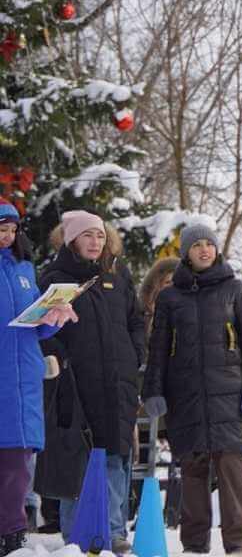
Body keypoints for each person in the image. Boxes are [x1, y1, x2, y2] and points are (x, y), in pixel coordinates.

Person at [142, 224, 242, 556]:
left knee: (230, 469)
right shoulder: (170, 297)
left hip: (229, 394)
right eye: (196, 245)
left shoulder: (236, 290)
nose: (203, 250)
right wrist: (152, 390)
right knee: (193, 470)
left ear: (216, 249)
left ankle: (238, 544)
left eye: (208, 244)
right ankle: (194, 545)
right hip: (187, 395)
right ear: (186, 253)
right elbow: (157, 350)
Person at [38, 210, 144, 554]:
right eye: (87, 236)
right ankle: (77, 533)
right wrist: (59, 359)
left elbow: (136, 319)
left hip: (117, 384)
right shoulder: (55, 278)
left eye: (99, 235)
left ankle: (113, 531)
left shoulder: (117, 274)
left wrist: (135, 356)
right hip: (75, 385)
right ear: (72, 240)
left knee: (114, 455)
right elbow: (41, 329)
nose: (95, 242)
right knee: (78, 459)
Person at [0, 200, 77, 556]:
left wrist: (52, 316)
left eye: (13, 230)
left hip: (24, 379)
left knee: (18, 464)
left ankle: (12, 534)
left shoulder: (24, 269)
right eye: (2, 228)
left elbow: (33, 327)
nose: (8, 236)